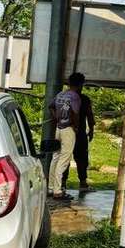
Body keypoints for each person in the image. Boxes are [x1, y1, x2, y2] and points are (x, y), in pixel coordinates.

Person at [48, 72, 85, 201]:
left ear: (69, 83)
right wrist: (76, 127)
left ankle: (51, 187)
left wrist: (57, 118)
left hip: (58, 128)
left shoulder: (60, 94)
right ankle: (57, 191)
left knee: (55, 157)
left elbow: (51, 106)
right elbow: (75, 113)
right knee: (64, 158)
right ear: (80, 84)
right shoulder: (75, 97)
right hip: (68, 129)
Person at [61, 81, 95, 193]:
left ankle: (63, 183)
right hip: (78, 132)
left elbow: (52, 108)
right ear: (80, 85)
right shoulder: (83, 99)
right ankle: (82, 183)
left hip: (67, 131)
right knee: (81, 158)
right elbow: (89, 115)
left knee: (66, 157)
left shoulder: (63, 97)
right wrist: (91, 130)